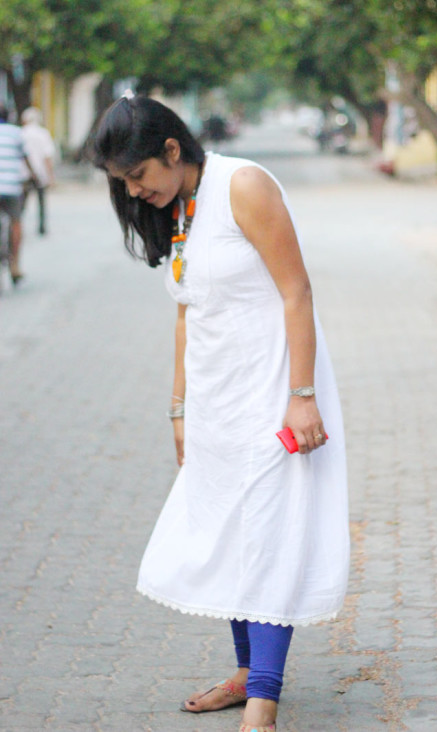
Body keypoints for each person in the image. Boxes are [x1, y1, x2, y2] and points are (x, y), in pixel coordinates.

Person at [93, 94, 349, 732]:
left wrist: (303, 395)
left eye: (138, 176)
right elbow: (186, 313)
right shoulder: (179, 208)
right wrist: (179, 409)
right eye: (122, 183)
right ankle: (244, 673)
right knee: (229, 532)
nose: (133, 192)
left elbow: (297, 291)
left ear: (172, 151)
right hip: (215, 403)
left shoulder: (245, 185)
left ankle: (264, 695)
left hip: (273, 391)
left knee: (270, 531)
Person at [0, 104, 31, 284]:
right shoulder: (16, 133)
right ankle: (15, 265)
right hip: (12, 187)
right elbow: (25, 158)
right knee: (16, 223)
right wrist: (35, 176)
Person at [21, 106, 55, 236]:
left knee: (22, 202)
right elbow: (47, 157)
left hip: (23, 173)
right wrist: (51, 176)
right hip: (40, 173)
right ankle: (42, 227)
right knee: (41, 201)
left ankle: (18, 224)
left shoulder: (21, 133)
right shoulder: (43, 133)